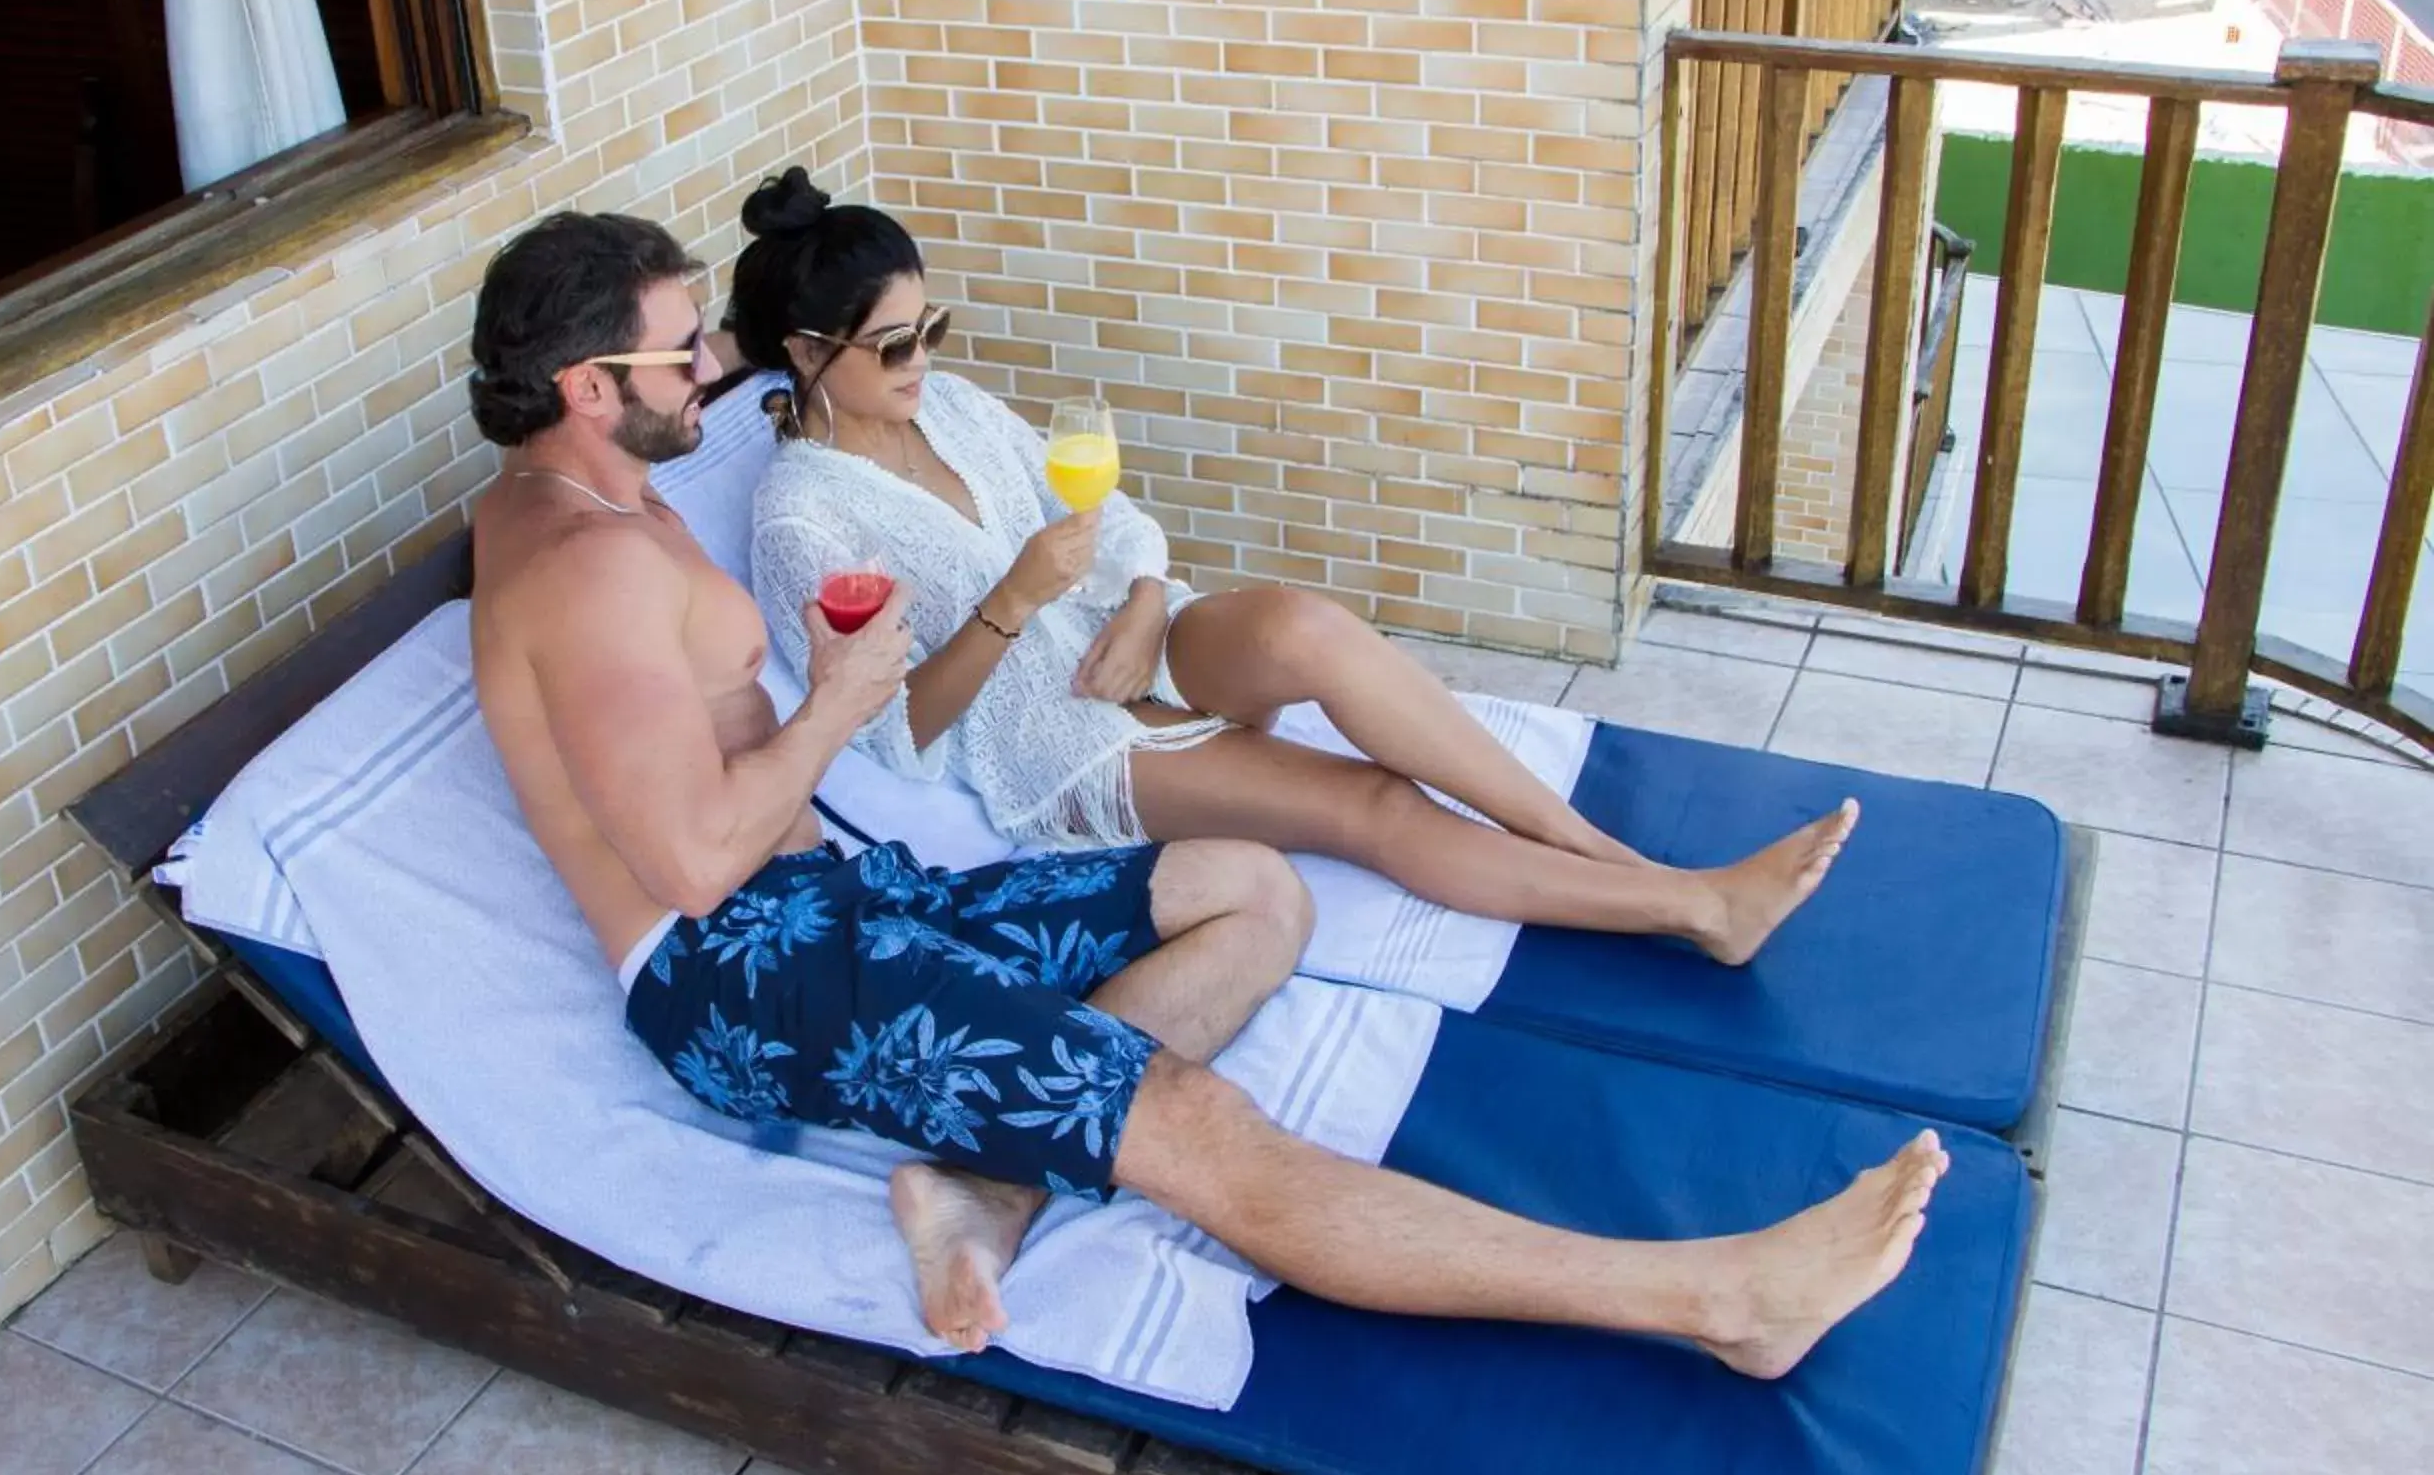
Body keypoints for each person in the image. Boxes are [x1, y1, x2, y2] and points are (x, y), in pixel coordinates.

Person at [466, 205, 1945, 1378]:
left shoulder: (601, 499)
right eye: (683, 355)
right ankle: (1719, 1298)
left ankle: (983, 1186)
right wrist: (845, 701)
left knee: (1253, 883)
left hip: (838, 904)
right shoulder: (587, 569)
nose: (716, 365)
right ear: (591, 389)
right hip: (741, 971)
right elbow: (692, 857)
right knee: (1192, 1125)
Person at [729, 167, 1857, 964]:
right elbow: (888, 736)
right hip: (1060, 737)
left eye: (934, 327)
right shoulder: (805, 520)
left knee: (1305, 626)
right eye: (894, 345)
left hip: (1132, 646)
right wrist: (1011, 604)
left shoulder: (961, 408)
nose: (925, 359)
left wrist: (1145, 598)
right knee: (1370, 801)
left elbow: (1113, 516)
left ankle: (1591, 845)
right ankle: (1692, 908)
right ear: (805, 351)